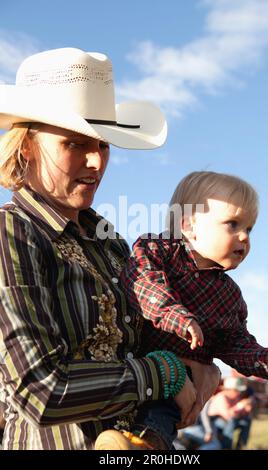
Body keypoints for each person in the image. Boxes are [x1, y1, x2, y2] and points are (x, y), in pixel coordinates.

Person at [0, 48, 220, 450]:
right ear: (27, 146)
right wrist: (163, 374)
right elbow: (40, 389)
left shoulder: (110, 242)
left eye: (103, 145)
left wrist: (198, 366)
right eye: (74, 144)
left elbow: (143, 345)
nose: (96, 162)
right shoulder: (10, 232)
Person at [121, 171, 268, 401]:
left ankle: (149, 437)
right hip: (137, 366)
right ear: (189, 226)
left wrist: (262, 360)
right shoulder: (157, 252)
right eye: (232, 224)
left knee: (166, 413)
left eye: (249, 228)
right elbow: (144, 282)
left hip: (180, 385)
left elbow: (232, 342)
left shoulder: (228, 294)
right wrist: (176, 316)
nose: (244, 237)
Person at [208, 377, 255, 449]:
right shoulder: (221, 398)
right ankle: (226, 447)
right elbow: (228, 416)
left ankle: (240, 446)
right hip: (213, 423)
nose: (239, 393)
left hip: (226, 421)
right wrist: (239, 406)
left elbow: (237, 414)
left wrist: (246, 410)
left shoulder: (235, 398)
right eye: (237, 390)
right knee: (231, 421)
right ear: (229, 390)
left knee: (247, 421)